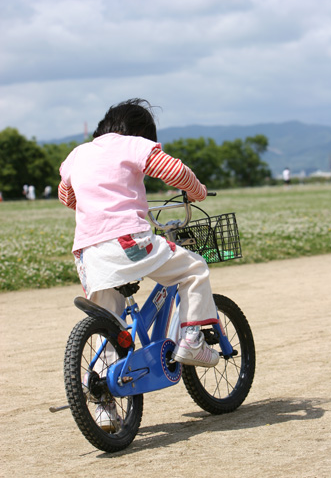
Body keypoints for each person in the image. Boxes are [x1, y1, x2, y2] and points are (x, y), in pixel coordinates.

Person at [58, 99, 220, 427]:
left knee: (110, 324)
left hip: (89, 253)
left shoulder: (78, 154)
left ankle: (104, 407)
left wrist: (95, 200)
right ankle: (191, 341)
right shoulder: (132, 145)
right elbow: (174, 171)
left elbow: (67, 196)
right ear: (141, 132)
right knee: (194, 269)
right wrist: (198, 191)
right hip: (128, 241)